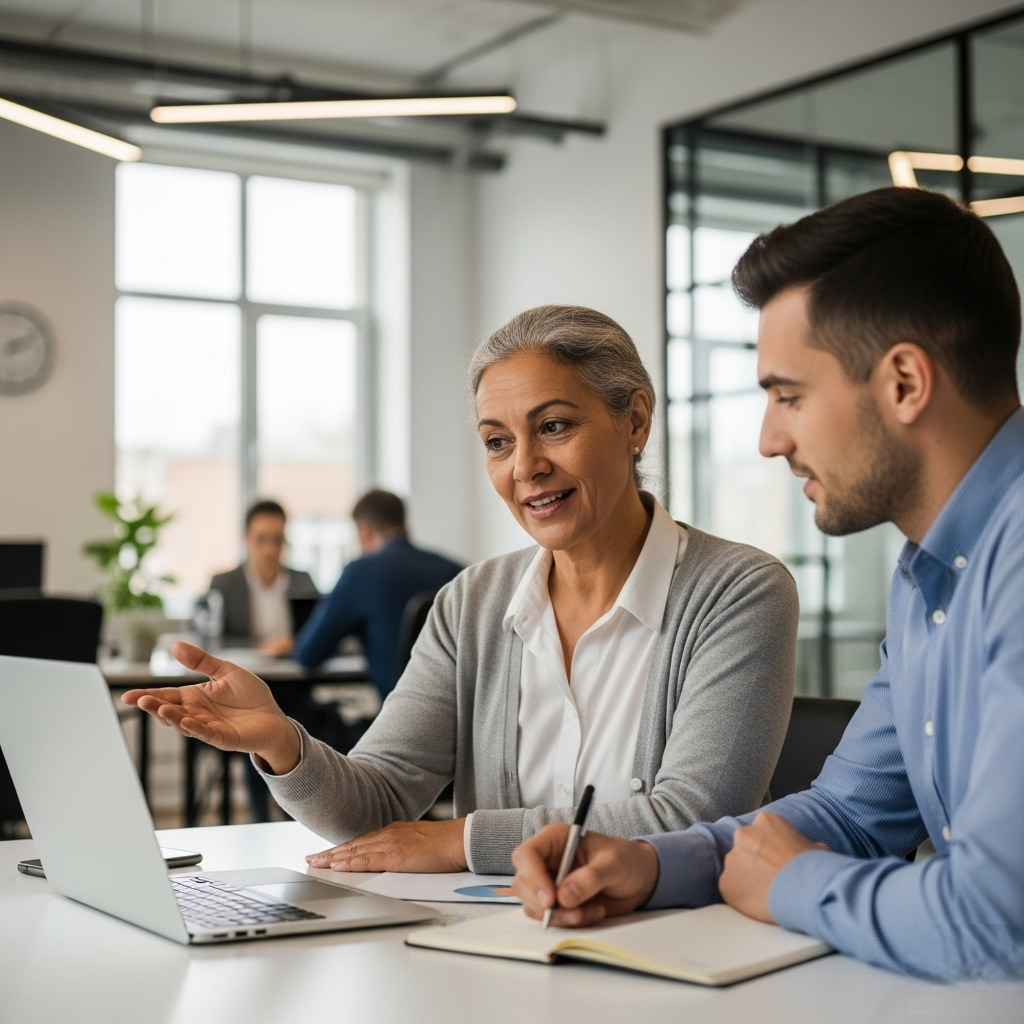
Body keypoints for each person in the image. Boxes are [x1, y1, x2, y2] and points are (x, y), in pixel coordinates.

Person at [510, 188, 1024, 982]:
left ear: (904, 383)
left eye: (788, 395)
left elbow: (997, 922)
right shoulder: (931, 575)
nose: (768, 439)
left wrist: (796, 884)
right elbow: (851, 813)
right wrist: (647, 863)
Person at [124, 305, 798, 876]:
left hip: (677, 954)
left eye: (555, 426)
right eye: (497, 442)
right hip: (496, 944)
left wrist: (459, 839)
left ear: (635, 422)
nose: (526, 467)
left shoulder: (739, 591)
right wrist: (283, 743)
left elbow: (695, 818)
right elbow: (377, 805)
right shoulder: (472, 602)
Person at [293, 489, 463, 699]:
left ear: (364, 532)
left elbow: (309, 655)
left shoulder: (361, 572)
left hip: (396, 717)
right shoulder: (456, 571)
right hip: (461, 717)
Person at [209, 500, 319, 658]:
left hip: (295, 674)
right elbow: (214, 641)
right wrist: (259, 647)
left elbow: (318, 631)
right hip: (243, 674)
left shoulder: (303, 581)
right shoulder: (224, 584)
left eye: (277, 540)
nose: (270, 550)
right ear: (247, 537)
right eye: (261, 539)